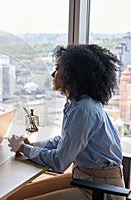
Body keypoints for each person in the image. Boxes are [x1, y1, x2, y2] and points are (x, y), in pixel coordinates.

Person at [8, 44, 124, 200]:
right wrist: (34, 145)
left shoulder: (83, 109)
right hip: (84, 177)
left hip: (101, 188)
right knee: (15, 196)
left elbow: (59, 162)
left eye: (58, 69)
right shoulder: (75, 103)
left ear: (73, 74)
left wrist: (24, 149)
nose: (53, 74)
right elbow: (65, 141)